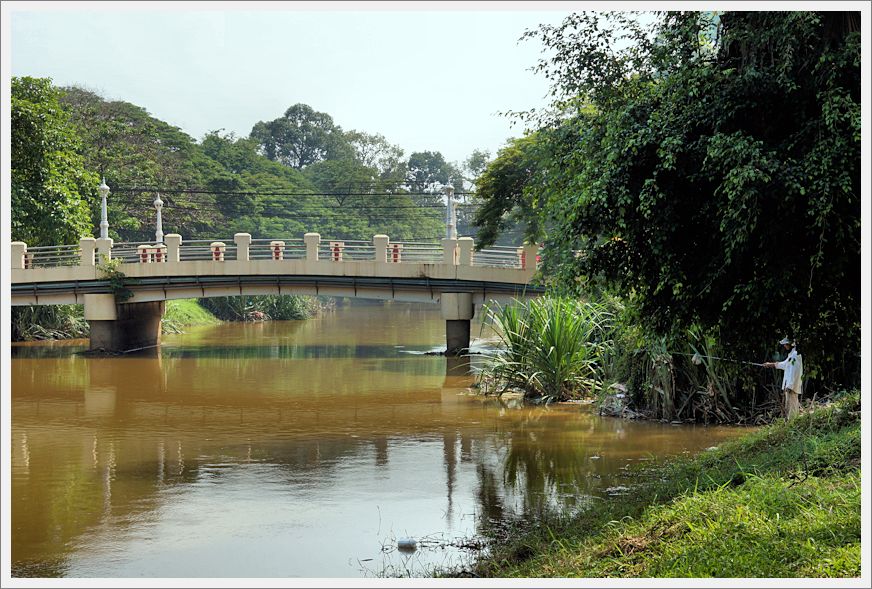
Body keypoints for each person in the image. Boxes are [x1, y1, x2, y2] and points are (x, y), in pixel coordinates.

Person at [763, 337, 803, 419]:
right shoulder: (792, 354)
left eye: (786, 344)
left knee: (791, 407)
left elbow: (793, 370)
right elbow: (785, 365)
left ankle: (791, 424)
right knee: (791, 406)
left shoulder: (795, 355)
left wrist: (789, 386)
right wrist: (771, 364)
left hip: (791, 386)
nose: (784, 346)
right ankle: (792, 423)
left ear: (790, 344)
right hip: (790, 385)